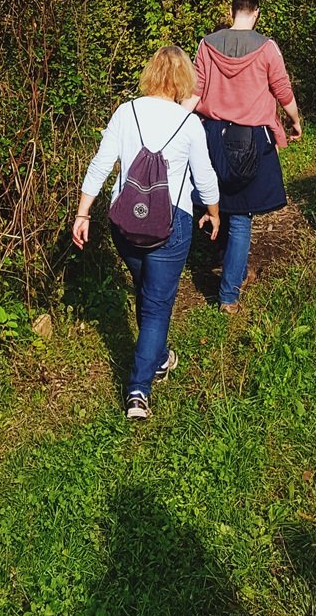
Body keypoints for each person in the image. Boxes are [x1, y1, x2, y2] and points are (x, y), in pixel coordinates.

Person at [72, 44, 219, 421]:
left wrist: (83, 212)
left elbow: (102, 163)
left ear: (150, 74)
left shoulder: (126, 112)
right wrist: (214, 213)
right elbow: (204, 178)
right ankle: (139, 389)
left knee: (145, 291)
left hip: (126, 224)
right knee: (155, 305)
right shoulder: (190, 124)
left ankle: (157, 355)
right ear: (183, 79)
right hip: (172, 222)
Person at [194, 0, 302, 313]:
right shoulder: (267, 48)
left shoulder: (206, 45)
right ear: (255, 13)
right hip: (250, 138)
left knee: (221, 203)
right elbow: (281, 89)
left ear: (232, 12)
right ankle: (228, 295)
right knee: (241, 217)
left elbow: (195, 92)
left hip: (212, 134)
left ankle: (231, 269)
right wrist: (294, 120)